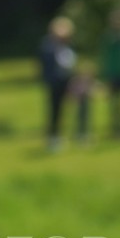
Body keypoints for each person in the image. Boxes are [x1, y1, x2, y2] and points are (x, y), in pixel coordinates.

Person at [38, 16, 77, 150]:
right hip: (54, 82)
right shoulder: (48, 45)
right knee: (54, 110)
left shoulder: (68, 45)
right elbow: (45, 65)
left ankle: (73, 134)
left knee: (69, 109)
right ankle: (53, 137)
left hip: (66, 80)